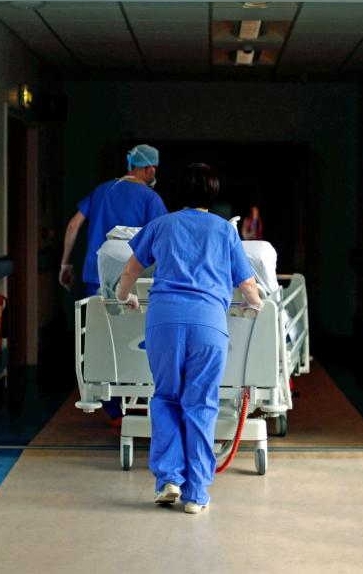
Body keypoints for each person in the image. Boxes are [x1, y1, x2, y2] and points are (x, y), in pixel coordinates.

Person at [116, 163, 264, 514]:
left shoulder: (161, 225)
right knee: (200, 404)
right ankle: (195, 494)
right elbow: (248, 286)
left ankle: (168, 479)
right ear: (213, 195)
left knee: (166, 397)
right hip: (208, 326)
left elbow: (128, 271)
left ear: (177, 193)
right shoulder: (224, 231)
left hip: (164, 322)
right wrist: (255, 305)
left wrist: (125, 297)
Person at [59, 144, 168, 422]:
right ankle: (141, 400)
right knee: (135, 338)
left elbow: (73, 226)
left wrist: (65, 264)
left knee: (102, 337)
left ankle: (112, 408)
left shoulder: (102, 190)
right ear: (148, 169)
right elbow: (162, 239)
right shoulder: (149, 197)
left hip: (97, 275)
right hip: (136, 280)